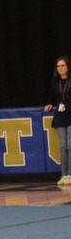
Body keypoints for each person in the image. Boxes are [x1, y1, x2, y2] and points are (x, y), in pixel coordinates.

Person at [45, 56, 71, 185]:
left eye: (63, 66)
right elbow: (52, 95)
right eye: (58, 66)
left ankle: (70, 174)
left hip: (70, 113)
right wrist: (49, 103)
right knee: (63, 146)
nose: (60, 68)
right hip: (60, 115)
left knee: (70, 145)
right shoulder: (55, 82)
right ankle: (63, 174)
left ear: (68, 67)